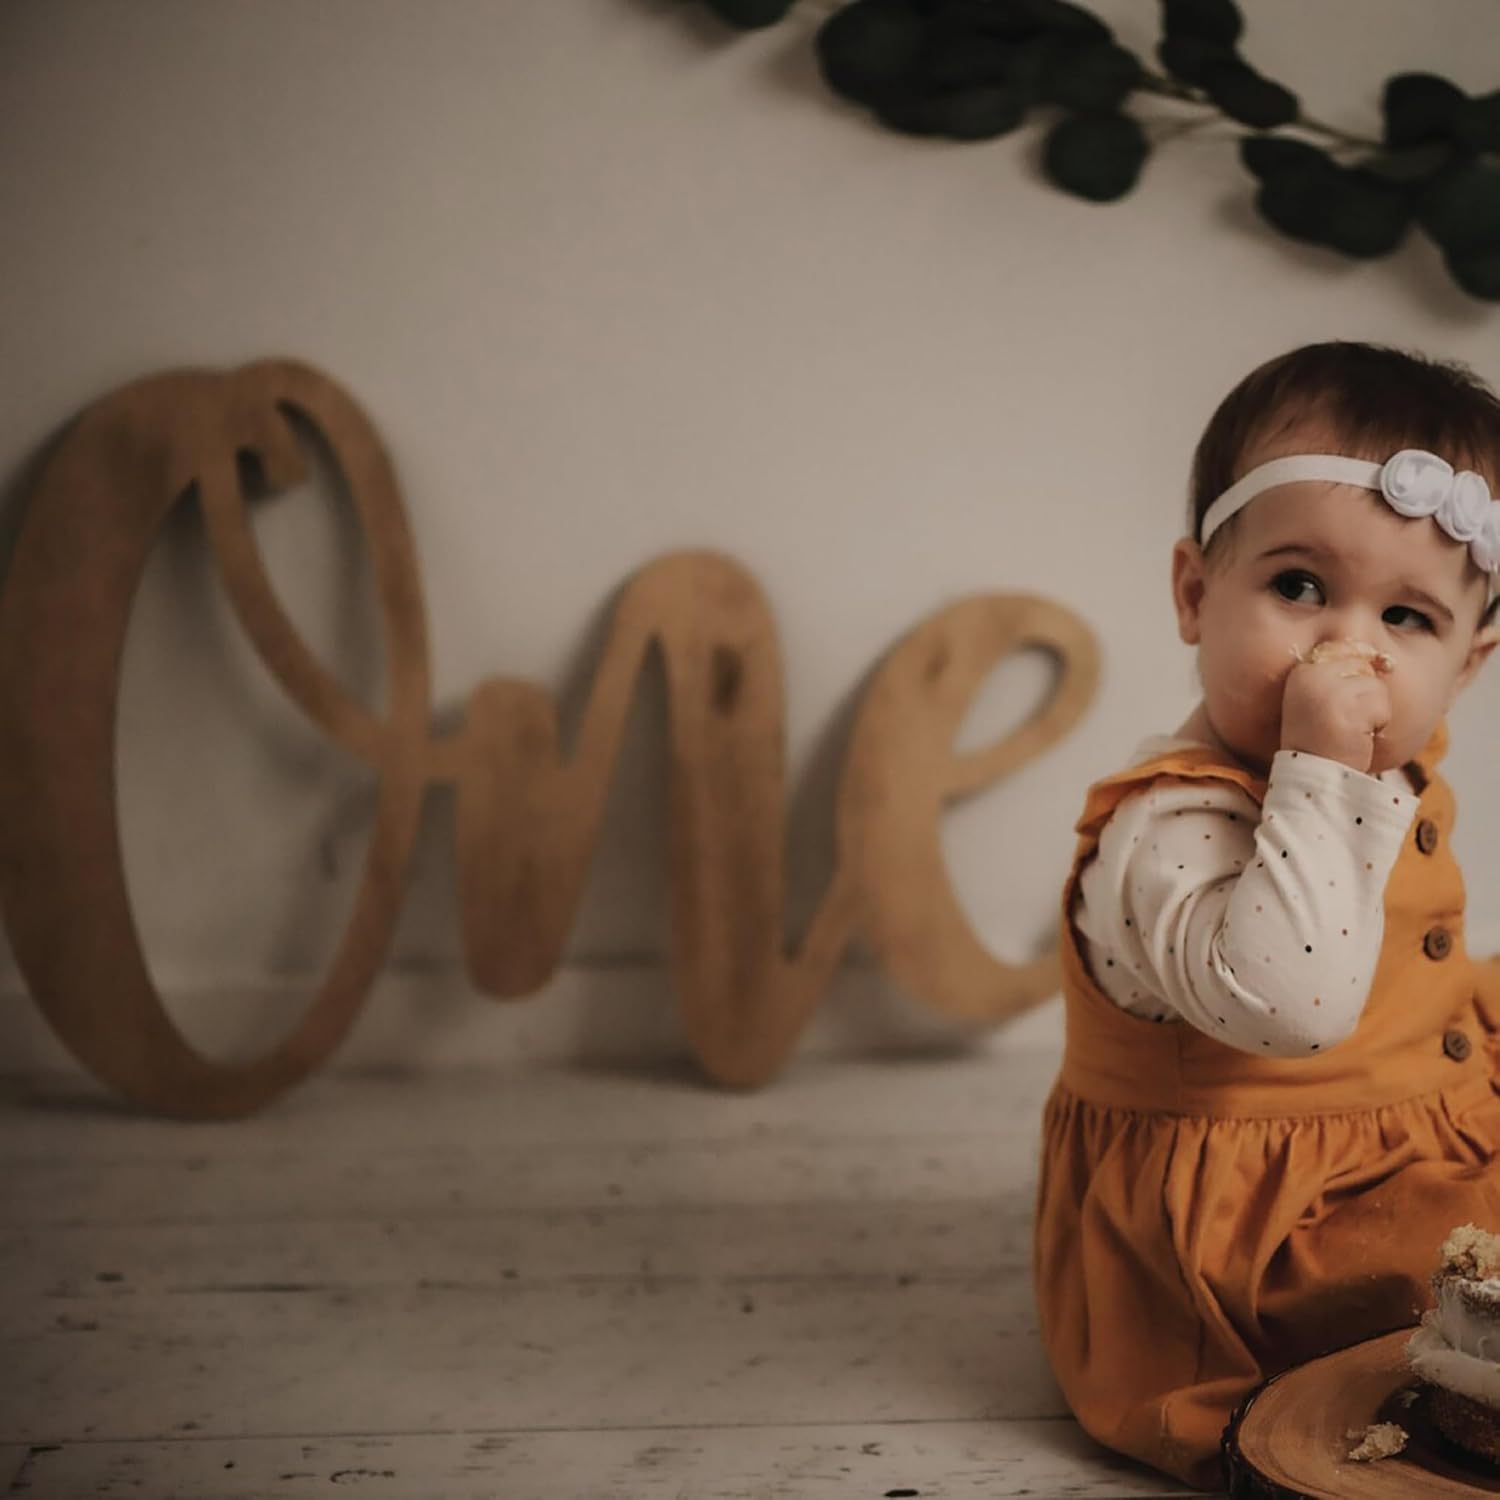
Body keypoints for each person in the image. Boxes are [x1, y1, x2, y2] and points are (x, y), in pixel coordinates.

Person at [1033, 341, 1500, 1489]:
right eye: (1299, 588)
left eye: (1408, 617)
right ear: (1197, 594)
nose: (1349, 648)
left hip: (1413, 1122)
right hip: (1266, 1239)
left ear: (1470, 661)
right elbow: (1297, 1007)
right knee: (1427, 1309)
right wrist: (1324, 770)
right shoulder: (1173, 828)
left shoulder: (1372, 770)